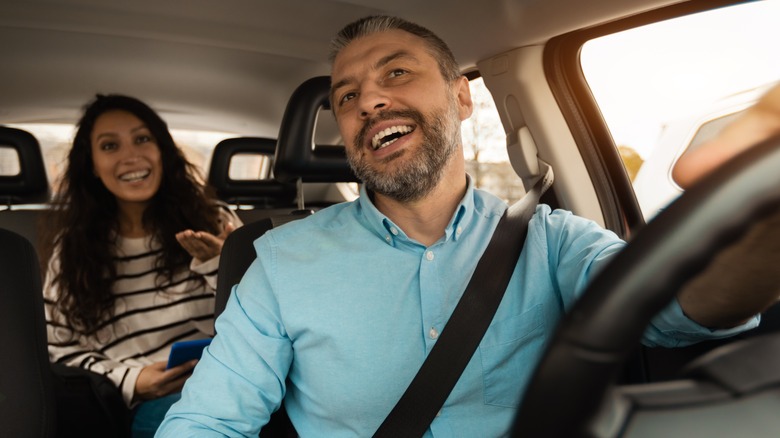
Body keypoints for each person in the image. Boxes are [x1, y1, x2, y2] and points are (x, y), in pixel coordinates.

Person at [158, 16, 779, 437]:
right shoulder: (280, 261)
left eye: (396, 73)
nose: (369, 100)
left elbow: (669, 311)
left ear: (461, 98)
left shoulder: (553, 238)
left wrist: (766, 228)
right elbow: (208, 421)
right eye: (346, 97)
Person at [40, 94, 242, 437]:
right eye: (109, 146)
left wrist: (220, 266)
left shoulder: (214, 219)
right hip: (140, 404)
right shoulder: (70, 251)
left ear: (162, 149)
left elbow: (263, 318)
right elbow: (58, 351)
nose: (131, 156)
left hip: (231, 381)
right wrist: (132, 382)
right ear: (91, 164)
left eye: (142, 139)